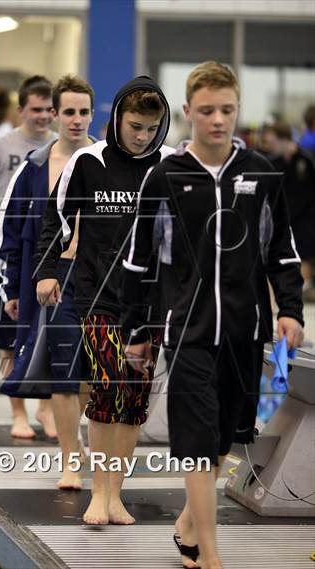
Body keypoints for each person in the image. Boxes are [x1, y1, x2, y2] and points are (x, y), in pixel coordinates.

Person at [120, 61, 304, 569]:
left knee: (226, 437)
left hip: (245, 331)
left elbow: (282, 252)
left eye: (226, 110)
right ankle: (211, 552)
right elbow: (139, 262)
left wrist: (290, 309)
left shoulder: (263, 174)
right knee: (198, 441)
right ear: (188, 113)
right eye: (207, 111)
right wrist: (137, 331)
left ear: (238, 109)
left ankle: (187, 523)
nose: (218, 120)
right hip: (187, 332)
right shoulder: (166, 177)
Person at [36, 76, 173, 524]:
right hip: (99, 294)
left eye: (151, 129)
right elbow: (55, 219)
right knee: (106, 388)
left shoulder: (170, 166)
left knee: (134, 397)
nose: (142, 136)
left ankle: (116, 491)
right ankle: (98, 490)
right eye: (135, 126)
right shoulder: (88, 162)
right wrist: (47, 270)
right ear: (117, 119)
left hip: (151, 303)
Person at [0, 74, 95, 489]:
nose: (75, 120)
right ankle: (70, 457)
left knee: (90, 374)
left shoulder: (106, 162)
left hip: (97, 284)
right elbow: (11, 230)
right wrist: (11, 289)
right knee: (62, 372)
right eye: (68, 111)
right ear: (54, 114)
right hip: (48, 285)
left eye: (83, 112)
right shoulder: (34, 167)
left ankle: (78, 435)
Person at [0, 75, 58, 438]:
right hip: (6, 250)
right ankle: (17, 412)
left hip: (47, 251)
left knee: (49, 338)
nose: (42, 116)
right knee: (11, 339)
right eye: (35, 110)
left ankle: (47, 409)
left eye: (47, 109)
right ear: (21, 110)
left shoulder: (61, 147)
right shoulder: (0, 145)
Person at [269, 121, 315, 300]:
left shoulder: (306, 159)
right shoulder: (273, 163)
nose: (271, 146)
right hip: (282, 216)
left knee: (303, 253)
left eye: (273, 142)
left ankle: (301, 292)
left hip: (305, 217)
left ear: (283, 140)